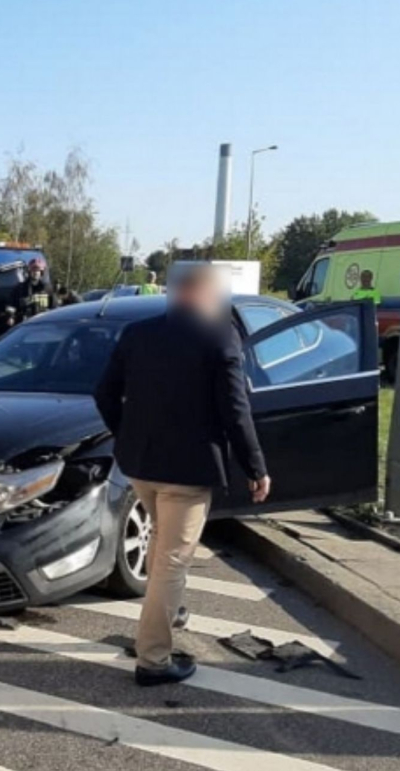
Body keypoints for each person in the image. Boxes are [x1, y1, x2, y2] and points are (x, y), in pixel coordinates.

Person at [92, 264, 270, 686]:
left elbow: (104, 394)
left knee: (160, 541)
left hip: (140, 466)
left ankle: (167, 613)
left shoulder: (138, 333)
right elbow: (235, 411)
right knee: (173, 560)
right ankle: (153, 660)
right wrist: (256, 467)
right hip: (187, 473)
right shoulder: (219, 336)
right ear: (209, 296)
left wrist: (127, 435)